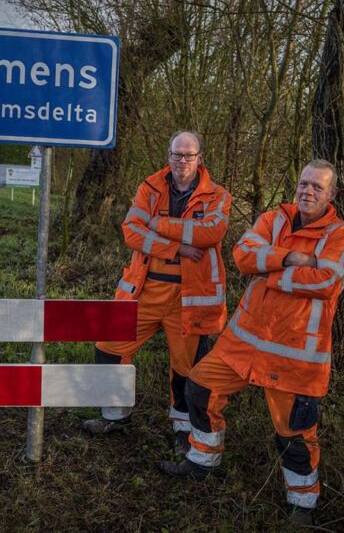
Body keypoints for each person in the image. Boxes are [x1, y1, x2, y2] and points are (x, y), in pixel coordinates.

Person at [158, 159, 344, 526]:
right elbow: (242, 255)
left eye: (317, 186)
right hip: (244, 343)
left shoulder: (342, 237)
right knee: (199, 387)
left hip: (293, 355)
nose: (308, 191)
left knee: (294, 433)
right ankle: (204, 459)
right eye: (303, 183)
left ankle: (302, 505)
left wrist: (271, 276)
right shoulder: (274, 219)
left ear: (332, 194)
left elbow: (327, 281)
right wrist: (291, 258)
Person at [83, 131, 232, 455]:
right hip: (144, 291)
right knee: (108, 346)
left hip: (188, 298)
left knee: (186, 367)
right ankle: (114, 415)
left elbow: (211, 232)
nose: (182, 161)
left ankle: (182, 430)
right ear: (168, 156)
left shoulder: (217, 195)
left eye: (189, 155)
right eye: (177, 154)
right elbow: (131, 231)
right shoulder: (149, 188)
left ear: (200, 158)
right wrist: (177, 247)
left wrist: (159, 224)